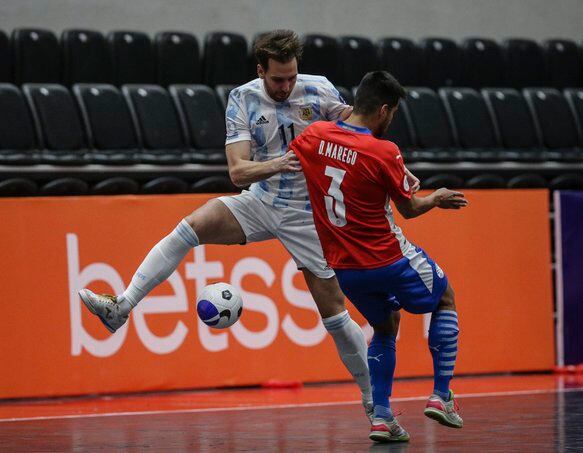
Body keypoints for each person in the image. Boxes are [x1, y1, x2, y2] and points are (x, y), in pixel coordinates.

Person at [78, 30, 417, 419]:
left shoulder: (318, 90)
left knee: (335, 314)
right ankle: (122, 307)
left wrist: (398, 171)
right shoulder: (242, 99)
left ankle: (372, 400)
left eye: (291, 77)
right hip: (261, 200)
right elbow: (238, 172)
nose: (286, 86)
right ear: (261, 71)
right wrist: (279, 164)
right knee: (192, 225)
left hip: (308, 214)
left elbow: (359, 134)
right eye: (277, 79)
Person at [289, 71, 468, 443]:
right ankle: (442, 394)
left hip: (345, 269)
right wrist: (436, 197)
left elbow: (293, 161)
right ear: (384, 110)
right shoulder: (384, 151)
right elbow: (409, 209)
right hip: (389, 259)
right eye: (393, 113)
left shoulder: (313, 136)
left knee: (385, 327)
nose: (392, 120)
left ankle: (382, 416)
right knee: (445, 297)